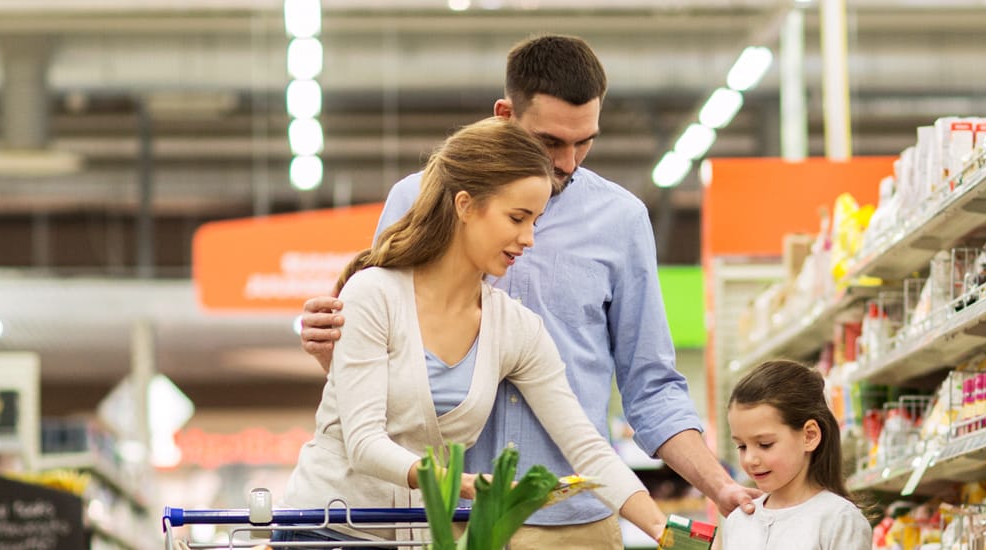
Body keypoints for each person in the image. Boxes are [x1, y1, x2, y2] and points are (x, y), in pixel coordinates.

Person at [298, 34, 759, 546]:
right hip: (423, 519)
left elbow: (638, 397)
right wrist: (336, 355)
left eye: (585, 142)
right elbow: (377, 394)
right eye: (550, 143)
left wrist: (696, 506)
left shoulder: (607, 233)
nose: (568, 162)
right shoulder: (403, 226)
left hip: (568, 520)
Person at [279, 117, 668, 546]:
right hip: (326, 527)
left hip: (413, 537)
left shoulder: (514, 328)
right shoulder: (374, 295)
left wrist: (662, 529)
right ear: (465, 205)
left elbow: (587, 448)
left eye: (535, 220)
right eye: (517, 218)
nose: (529, 238)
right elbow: (364, 443)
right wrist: (461, 484)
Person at [715, 360, 870, 550]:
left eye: (765, 444)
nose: (749, 460)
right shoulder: (738, 521)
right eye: (741, 446)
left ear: (809, 435)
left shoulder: (839, 519)